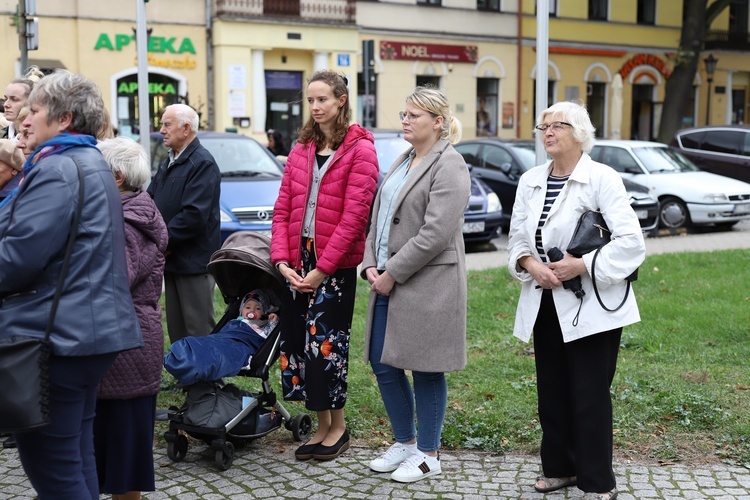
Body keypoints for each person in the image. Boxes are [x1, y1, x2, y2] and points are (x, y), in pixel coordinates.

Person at [0, 71, 142, 499]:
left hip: (56, 339)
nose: (27, 119)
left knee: (54, 468)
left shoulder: (58, 168)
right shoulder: (90, 162)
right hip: (83, 336)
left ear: (63, 119)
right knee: (74, 459)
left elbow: (18, 259)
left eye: (36, 110)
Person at [507, 101, 645, 500]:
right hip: (544, 298)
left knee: (589, 393)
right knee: (551, 390)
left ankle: (598, 480)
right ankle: (560, 468)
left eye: (558, 125)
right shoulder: (531, 179)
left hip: (592, 304)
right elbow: (516, 236)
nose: (547, 132)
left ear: (580, 132)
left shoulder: (602, 178)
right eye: (543, 126)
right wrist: (531, 264)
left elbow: (632, 243)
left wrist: (580, 265)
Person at [360, 86, 470, 483]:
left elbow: (437, 231)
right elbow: (379, 217)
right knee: (381, 361)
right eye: (404, 114)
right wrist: (371, 263)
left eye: (413, 115)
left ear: (437, 122)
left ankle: (428, 453)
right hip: (388, 278)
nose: (404, 121)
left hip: (428, 282)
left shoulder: (450, 164)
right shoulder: (404, 159)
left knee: (426, 368)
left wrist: (392, 272)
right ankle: (405, 443)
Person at [271, 69, 378, 461]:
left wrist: (323, 270)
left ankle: (339, 428)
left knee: (326, 348)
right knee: (299, 344)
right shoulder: (301, 148)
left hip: (332, 266)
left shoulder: (361, 149)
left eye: (322, 100)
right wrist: (282, 260)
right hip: (298, 261)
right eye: (310, 100)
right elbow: (283, 207)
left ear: (341, 100)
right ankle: (320, 426)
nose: (315, 107)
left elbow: (354, 219)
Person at [94, 136, 168, 500]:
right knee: (118, 460)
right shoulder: (134, 211)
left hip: (126, 347)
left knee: (123, 465)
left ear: (118, 177)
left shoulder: (126, 223)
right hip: (130, 343)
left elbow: (112, 281)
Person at [148, 103, 221, 344]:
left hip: (193, 261)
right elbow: (151, 198)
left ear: (186, 128)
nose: (162, 130)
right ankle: (187, 377)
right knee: (178, 327)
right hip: (173, 258)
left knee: (197, 325)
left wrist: (162, 241)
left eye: (166, 124)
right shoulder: (169, 160)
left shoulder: (202, 163)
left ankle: (206, 381)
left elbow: (193, 216)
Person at [164, 288, 281, 385]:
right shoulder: (237, 320)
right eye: (248, 307)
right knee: (202, 343)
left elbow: (267, 337)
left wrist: (273, 322)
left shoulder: (262, 326)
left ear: (264, 311)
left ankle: (190, 361)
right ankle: (182, 353)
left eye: (258, 308)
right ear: (241, 310)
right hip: (223, 338)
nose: (252, 310)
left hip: (242, 343)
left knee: (220, 354)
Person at [0, 67, 44, 199]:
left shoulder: (40, 137)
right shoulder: (2, 133)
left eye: (14, 99)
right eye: (6, 98)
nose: (6, 104)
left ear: (32, 102)